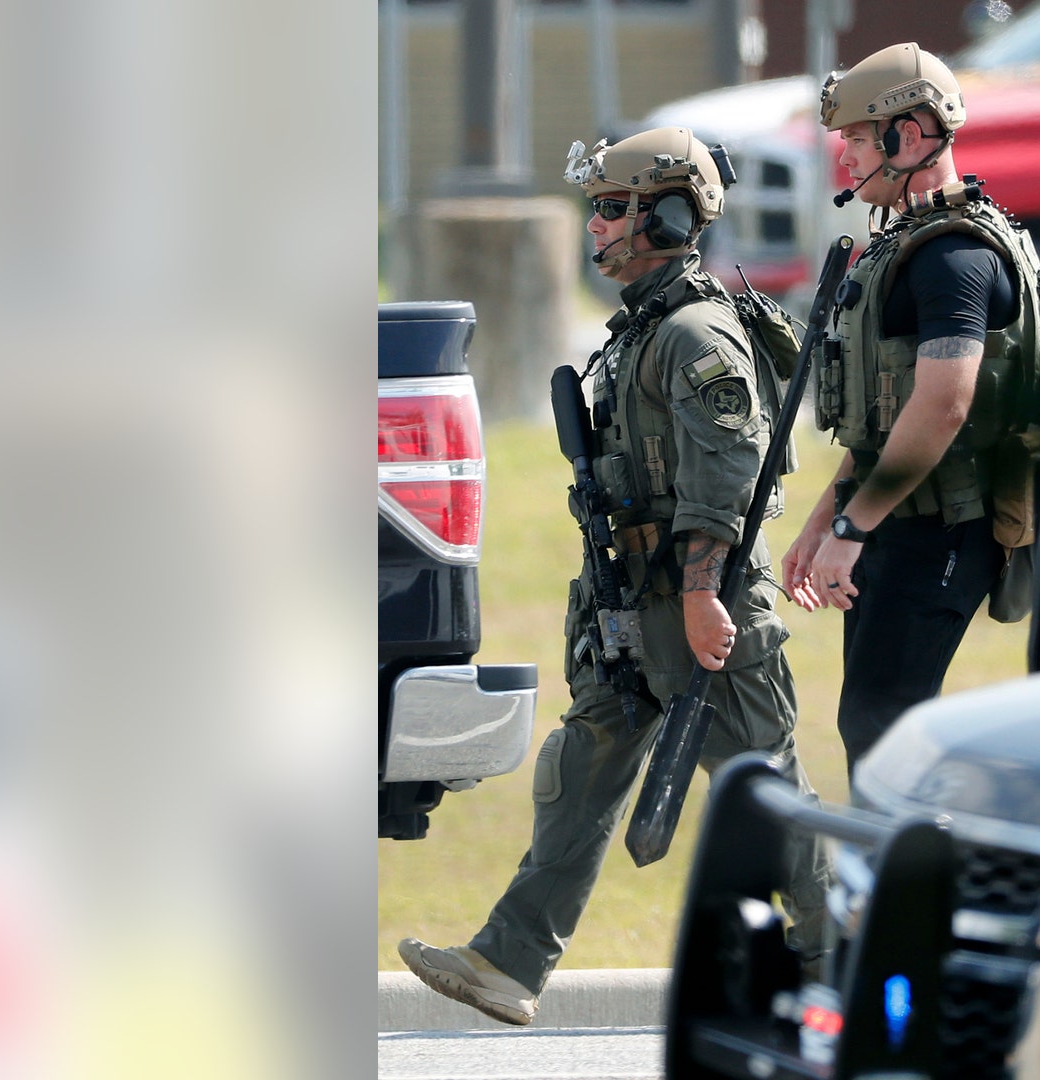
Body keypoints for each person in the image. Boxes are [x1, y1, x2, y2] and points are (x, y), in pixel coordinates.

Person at [399, 126, 832, 1026]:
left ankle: (845, 955)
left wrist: (705, 593)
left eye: (610, 209)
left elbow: (728, 469)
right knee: (581, 769)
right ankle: (508, 963)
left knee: (765, 797)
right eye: (595, 207)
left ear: (667, 215)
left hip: (697, 606)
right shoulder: (642, 329)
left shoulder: (693, 332)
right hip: (635, 607)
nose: (593, 227)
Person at [782, 42, 1040, 774]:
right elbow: (886, 415)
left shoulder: (953, 256)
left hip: (942, 530)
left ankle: (937, 882)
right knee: (872, 729)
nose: (844, 156)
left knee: (887, 734)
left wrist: (849, 527)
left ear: (911, 135)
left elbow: (942, 404)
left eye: (858, 139)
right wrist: (823, 525)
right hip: (900, 521)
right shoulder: (907, 242)